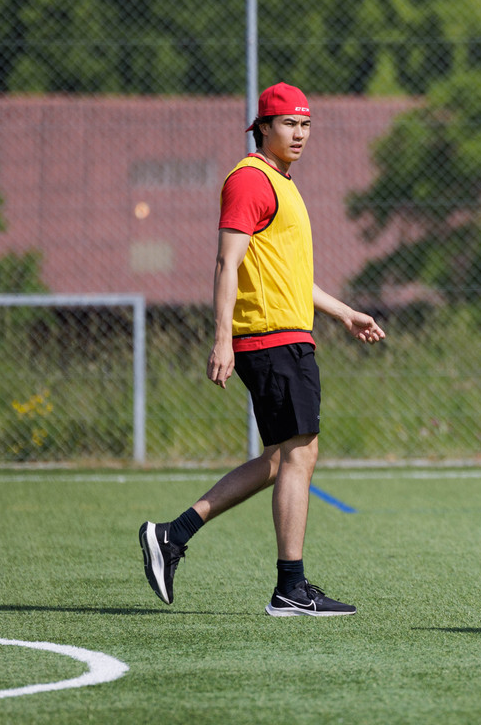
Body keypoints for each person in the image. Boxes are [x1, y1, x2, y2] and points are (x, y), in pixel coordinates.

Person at [140, 82, 385, 617]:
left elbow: (292, 277)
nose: (299, 133)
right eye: (288, 124)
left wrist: (344, 313)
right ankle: (289, 588)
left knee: (279, 459)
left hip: (287, 336)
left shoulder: (283, 183)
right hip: (270, 339)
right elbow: (226, 263)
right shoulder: (250, 179)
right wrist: (221, 339)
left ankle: (172, 534)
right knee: (301, 453)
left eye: (306, 124)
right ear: (263, 128)